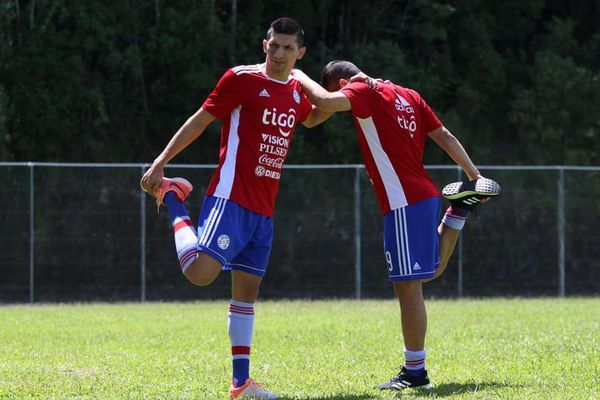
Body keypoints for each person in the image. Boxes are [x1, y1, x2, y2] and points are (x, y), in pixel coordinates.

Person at [140, 17, 326, 400]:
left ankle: (240, 384)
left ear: (300, 53)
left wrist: (339, 91)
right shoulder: (242, 79)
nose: (279, 53)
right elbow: (200, 120)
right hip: (231, 198)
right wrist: (160, 163)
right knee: (200, 272)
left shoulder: (295, 92)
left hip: (264, 209)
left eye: (288, 48)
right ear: (264, 45)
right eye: (274, 45)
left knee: (246, 292)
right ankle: (175, 198)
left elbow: (316, 114)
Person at [292, 61, 500, 390]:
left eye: (340, 90)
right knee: (425, 274)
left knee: (408, 286)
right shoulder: (407, 94)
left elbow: (325, 104)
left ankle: (415, 372)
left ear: (343, 82)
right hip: (424, 195)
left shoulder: (362, 89)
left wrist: (296, 73)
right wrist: (474, 176)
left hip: (403, 201)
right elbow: (444, 136)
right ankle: (458, 210)